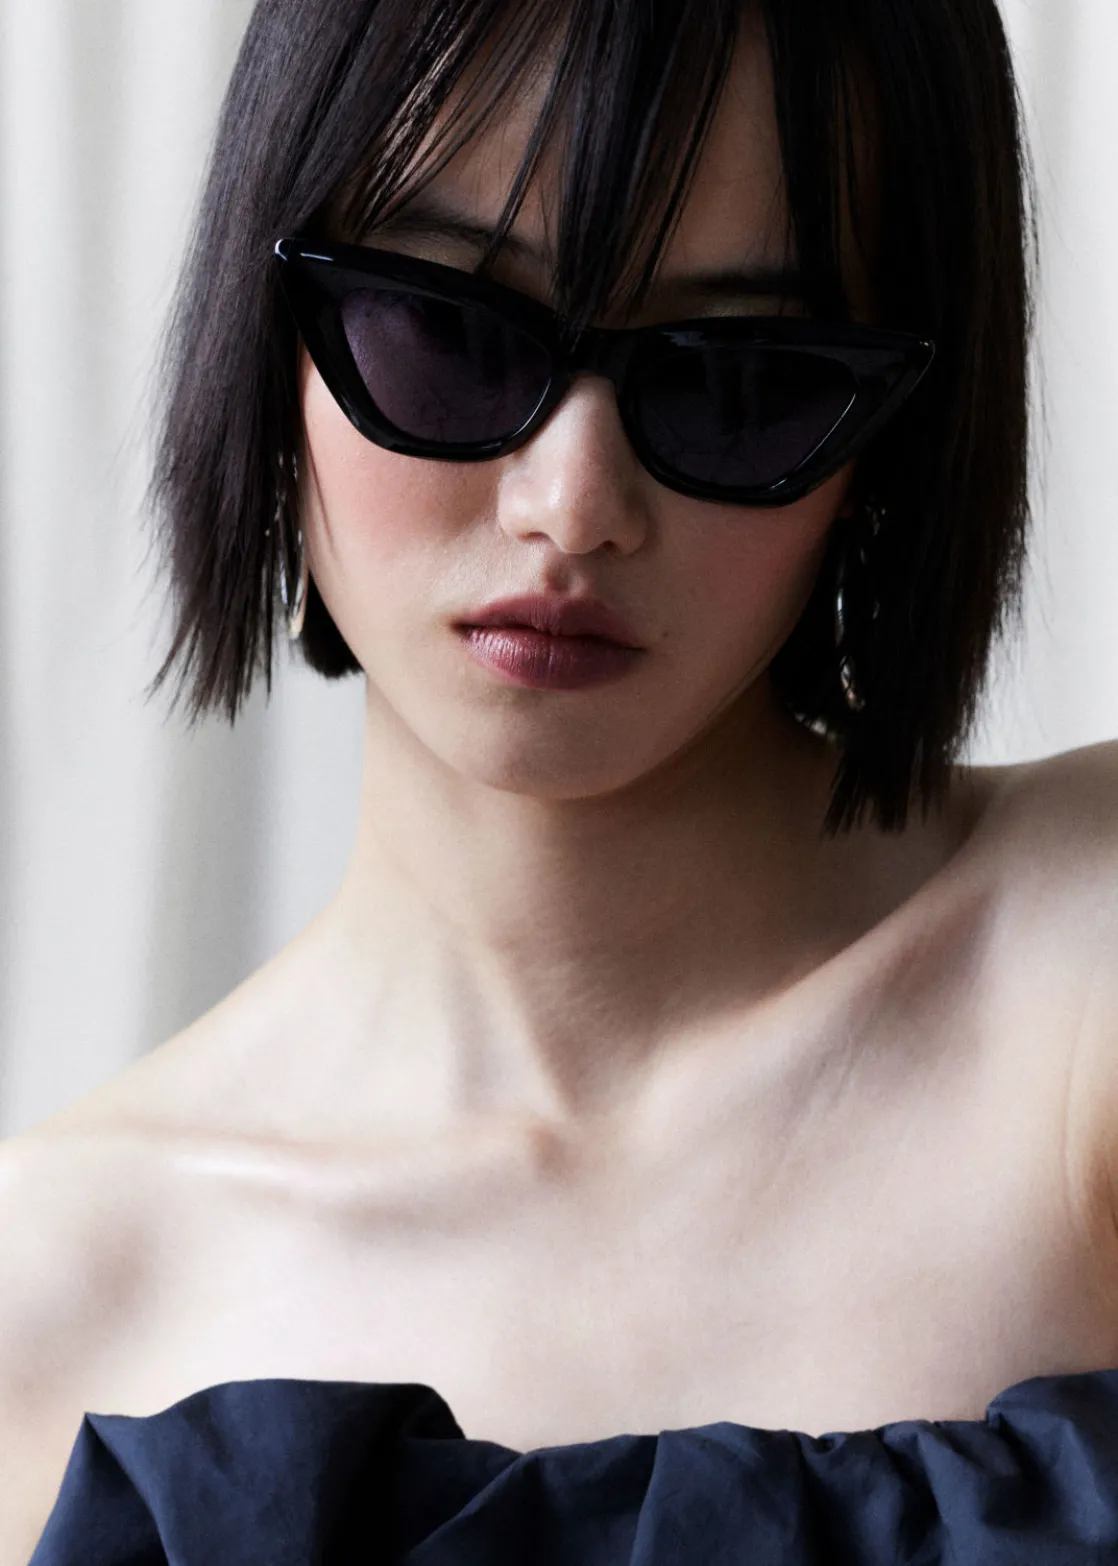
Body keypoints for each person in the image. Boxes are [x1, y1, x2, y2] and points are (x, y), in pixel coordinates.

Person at [5, 0, 1118, 1558]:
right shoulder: (51, 1301)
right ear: (270, 334)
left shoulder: (1083, 970)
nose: (572, 503)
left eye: (741, 378)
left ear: (891, 433)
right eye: (448, 332)